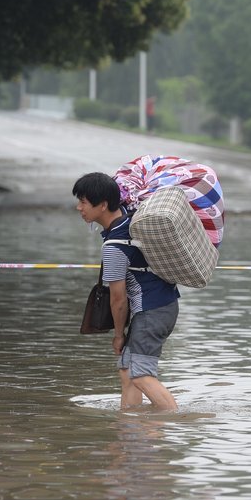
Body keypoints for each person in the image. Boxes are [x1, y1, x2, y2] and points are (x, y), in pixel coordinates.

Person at [73, 172, 180, 411]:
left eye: (83, 202)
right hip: (163, 306)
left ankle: (176, 422)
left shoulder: (114, 247)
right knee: (127, 370)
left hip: (151, 312)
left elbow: (118, 300)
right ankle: (131, 430)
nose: (78, 207)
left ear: (102, 205)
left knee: (141, 375)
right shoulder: (132, 221)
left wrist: (119, 334)